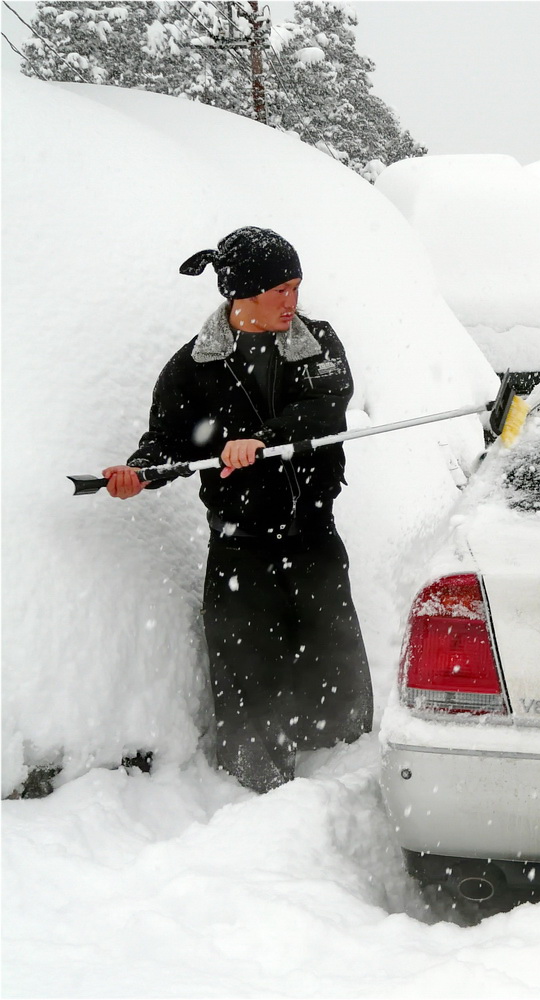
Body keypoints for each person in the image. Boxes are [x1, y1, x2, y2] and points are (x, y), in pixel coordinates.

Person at [102, 226, 372, 792]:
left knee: (334, 656)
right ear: (240, 295)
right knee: (248, 669)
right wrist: (139, 474)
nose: (292, 302)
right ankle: (257, 790)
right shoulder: (194, 367)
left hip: (313, 537)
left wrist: (264, 438)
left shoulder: (317, 344)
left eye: (296, 287)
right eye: (279, 290)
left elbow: (326, 409)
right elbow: (168, 443)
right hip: (240, 548)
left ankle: (345, 777)